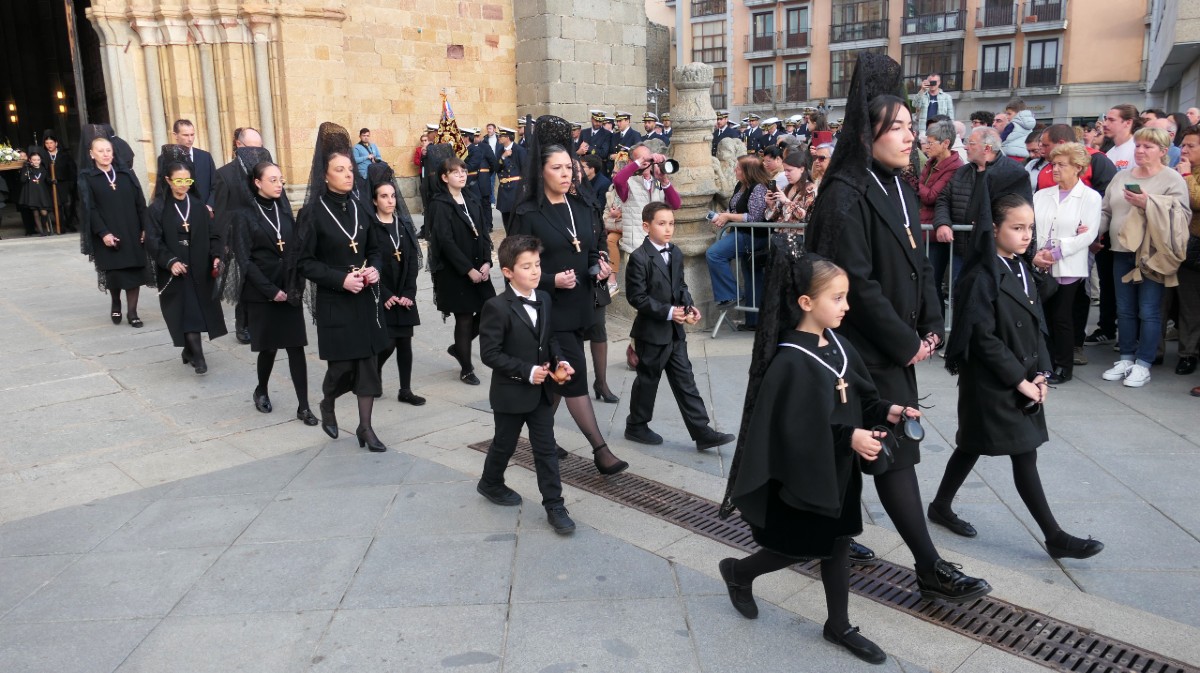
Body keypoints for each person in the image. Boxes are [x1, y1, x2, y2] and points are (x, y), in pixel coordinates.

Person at [804, 53, 991, 601]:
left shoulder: (900, 184)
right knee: (889, 455)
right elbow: (855, 284)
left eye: (913, 126)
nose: (910, 137)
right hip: (861, 351)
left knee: (869, 453)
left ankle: (835, 537)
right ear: (870, 132)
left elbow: (919, 262)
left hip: (896, 347)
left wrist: (933, 322)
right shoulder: (847, 192)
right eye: (898, 127)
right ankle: (928, 566)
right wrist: (906, 342)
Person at [719, 243, 919, 665]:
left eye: (846, 296)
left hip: (839, 473)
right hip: (802, 475)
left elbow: (861, 398)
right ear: (806, 302)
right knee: (794, 548)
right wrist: (848, 437)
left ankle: (838, 625)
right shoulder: (789, 361)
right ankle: (738, 572)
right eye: (838, 297)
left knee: (838, 543)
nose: (847, 305)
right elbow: (793, 429)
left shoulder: (841, 347)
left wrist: (888, 410)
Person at [934, 191, 1105, 560]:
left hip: (1020, 376)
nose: (1027, 235)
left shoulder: (1021, 266)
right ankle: (1054, 535)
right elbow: (982, 337)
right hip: (991, 382)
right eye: (1017, 228)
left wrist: (1041, 371)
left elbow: (1036, 325)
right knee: (1022, 453)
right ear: (993, 229)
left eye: (1031, 228)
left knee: (971, 445)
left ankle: (939, 505)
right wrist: (1020, 380)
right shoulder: (980, 275)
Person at [510, 115, 628, 476]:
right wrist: (548, 280)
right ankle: (601, 451)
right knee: (573, 373)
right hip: (549, 311)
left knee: (558, 380)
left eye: (569, 167)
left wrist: (601, 264)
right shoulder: (527, 214)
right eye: (557, 168)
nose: (566, 174)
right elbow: (516, 271)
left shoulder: (581, 207)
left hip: (582, 306)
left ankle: (524, 434)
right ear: (541, 171)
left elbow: (591, 249)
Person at [296, 122, 390, 452]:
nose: (348, 175)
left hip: (364, 299)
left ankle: (365, 427)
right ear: (325, 175)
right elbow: (304, 263)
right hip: (336, 301)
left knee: (367, 366)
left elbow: (375, 248)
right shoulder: (311, 214)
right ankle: (327, 402)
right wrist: (340, 279)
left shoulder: (362, 206)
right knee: (342, 367)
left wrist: (375, 269)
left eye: (350, 169)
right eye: (340, 170)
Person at [477, 234, 576, 534]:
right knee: (504, 443)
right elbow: (489, 353)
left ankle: (555, 506)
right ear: (508, 272)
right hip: (510, 393)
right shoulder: (496, 306)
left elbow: (550, 338)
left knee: (545, 449)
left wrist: (559, 360)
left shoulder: (544, 298)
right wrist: (526, 370)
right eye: (526, 266)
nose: (535, 271)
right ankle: (490, 481)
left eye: (537, 264)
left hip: (541, 392)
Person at [624, 202, 736, 451]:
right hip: (651, 333)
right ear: (646, 226)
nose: (668, 229)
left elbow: (680, 287)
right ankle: (636, 425)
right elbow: (637, 297)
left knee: (686, 380)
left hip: (675, 331)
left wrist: (689, 306)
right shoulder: (639, 258)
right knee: (647, 381)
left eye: (671, 223)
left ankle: (702, 431)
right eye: (661, 223)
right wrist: (667, 312)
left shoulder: (674, 252)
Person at [1099, 127, 1191, 388]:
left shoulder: (1172, 179)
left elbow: (1182, 216)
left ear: (1163, 151)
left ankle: (1144, 363)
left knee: (1149, 311)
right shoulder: (1121, 176)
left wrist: (1147, 202)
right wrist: (1094, 235)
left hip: (1153, 254)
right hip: (1121, 251)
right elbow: (1106, 210)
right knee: (1124, 310)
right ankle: (1127, 358)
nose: (1140, 150)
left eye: (1147, 147)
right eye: (1138, 145)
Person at [229, 156, 317, 423]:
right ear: (257, 183)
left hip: (288, 288)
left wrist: (293, 286)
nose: (279, 185)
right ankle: (261, 389)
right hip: (261, 293)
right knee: (269, 348)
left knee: (296, 347)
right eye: (273, 180)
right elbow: (245, 260)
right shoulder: (244, 215)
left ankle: (304, 406)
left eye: (281, 180)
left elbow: (293, 249)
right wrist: (270, 291)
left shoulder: (283, 209)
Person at [144, 147, 228, 374]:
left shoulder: (199, 206)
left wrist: (216, 256)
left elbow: (214, 235)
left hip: (199, 265)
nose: (183, 185)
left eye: (187, 180)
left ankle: (190, 350)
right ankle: (198, 355)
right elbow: (153, 241)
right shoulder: (157, 209)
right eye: (178, 180)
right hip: (175, 267)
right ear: (168, 181)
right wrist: (170, 261)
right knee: (186, 310)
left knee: (198, 309)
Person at [934, 126, 1033, 310]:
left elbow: (1018, 211)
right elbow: (943, 199)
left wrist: (986, 224)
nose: (965, 147)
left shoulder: (1013, 172)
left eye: (970, 143)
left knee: (992, 303)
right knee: (961, 299)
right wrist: (943, 223)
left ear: (987, 148)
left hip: (994, 252)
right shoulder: (962, 172)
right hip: (962, 252)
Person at [1032, 143, 1101, 384]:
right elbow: (1031, 227)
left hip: (1068, 266)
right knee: (1043, 317)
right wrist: (1036, 253)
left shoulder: (1090, 197)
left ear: (1078, 168)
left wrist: (1058, 251)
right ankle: (1045, 363)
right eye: (1054, 164)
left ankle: (1063, 366)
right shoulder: (1041, 195)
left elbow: (1088, 234)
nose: (1055, 169)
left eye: (1062, 165)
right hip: (1039, 265)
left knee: (1061, 317)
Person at [426, 155, 497, 386]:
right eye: (456, 173)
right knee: (465, 318)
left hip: (479, 265)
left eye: (464, 171)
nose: (462, 175)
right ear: (445, 177)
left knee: (491, 309)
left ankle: (459, 348)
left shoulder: (471, 198)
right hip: (455, 272)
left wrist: (487, 262)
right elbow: (445, 241)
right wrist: (468, 270)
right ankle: (466, 368)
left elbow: (484, 232)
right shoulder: (440, 204)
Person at [78, 130, 151, 329]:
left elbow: (140, 203)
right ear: (91, 154)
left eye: (108, 150)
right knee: (115, 273)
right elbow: (89, 209)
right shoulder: (88, 178)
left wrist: (145, 227)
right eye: (100, 151)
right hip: (107, 232)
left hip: (132, 230)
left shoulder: (126, 174)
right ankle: (116, 302)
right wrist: (103, 233)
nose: (105, 154)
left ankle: (133, 312)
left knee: (134, 271)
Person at [367, 163, 425, 406]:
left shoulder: (402, 225)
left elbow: (411, 260)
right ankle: (374, 375)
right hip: (384, 295)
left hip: (404, 294)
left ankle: (405, 389)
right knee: (387, 343)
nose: (390, 201)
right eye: (384, 196)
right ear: (374, 201)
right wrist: (387, 293)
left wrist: (409, 292)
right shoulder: (371, 228)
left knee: (405, 343)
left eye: (392, 196)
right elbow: (369, 264)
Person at [213, 126, 265, 345]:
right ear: (239, 146)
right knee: (245, 281)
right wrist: (222, 243)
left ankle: (263, 321)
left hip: (265, 235)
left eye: (259, 148)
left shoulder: (267, 169)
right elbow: (221, 212)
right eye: (252, 148)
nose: (256, 153)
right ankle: (242, 323)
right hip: (239, 237)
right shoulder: (225, 174)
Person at [706, 155, 771, 328]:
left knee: (714, 254)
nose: (735, 170)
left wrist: (728, 216)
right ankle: (753, 321)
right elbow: (733, 207)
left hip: (752, 236)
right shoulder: (740, 186)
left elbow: (754, 216)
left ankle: (731, 294)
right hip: (741, 232)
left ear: (748, 171)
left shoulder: (758, 188)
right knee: (752, 276)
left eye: (739, 168)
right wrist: (723, 215)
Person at [918, 120, 965, 306]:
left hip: (935, 234)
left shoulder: (954, 166)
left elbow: (931, 196)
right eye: (926, 142)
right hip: (924, 229)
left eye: (931, 143)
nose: (927, 146)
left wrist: (913, 183)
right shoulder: (931, 163)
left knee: (932, 282)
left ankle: (936, 329)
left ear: (945, 143)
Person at [613, 143, 682, 262]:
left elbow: (676, 204)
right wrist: (640, 161)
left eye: (649, 158)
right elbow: (618, 180)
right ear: (631, 162)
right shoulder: (628, 183)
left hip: (658, 247)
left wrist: (664, 180)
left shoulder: (658, 182)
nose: (647, 162)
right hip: (636, 249)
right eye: (641, 159)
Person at [1176, 125, 1200, 383]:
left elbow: (1197, 200)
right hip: (1187, 247)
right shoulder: (1179, 171)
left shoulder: (1185, 174)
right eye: (1183, 145)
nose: (1184, 150)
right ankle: (1187, 353)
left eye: (1191, 146)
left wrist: (1186, 177)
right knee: (1189, 306)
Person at [172, 120, 218, 212]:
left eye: (192, 134)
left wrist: (209, 205)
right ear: (175, 135)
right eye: (185, 135)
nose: (190, 139)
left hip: (206, 212)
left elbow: (215, 184)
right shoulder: (167, 158)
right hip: (180, 212)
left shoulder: (205, 157)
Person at [764, 151, 817, 228]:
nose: (786, 174)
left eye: (789, 170)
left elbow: (803, 215)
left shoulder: (811, 189)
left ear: (801, 169)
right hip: (781, 235)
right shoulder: (786, 188)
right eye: (785, 170)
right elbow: (775, 218)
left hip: (799, 236)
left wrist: (786, 201)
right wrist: (771, 205)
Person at [39, 130, 77, 233]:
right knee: (57, 206)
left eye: (51, 143)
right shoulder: (43, 156)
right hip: (51, 184)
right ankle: (61, 226)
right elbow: (42, 171)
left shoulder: (64, 155)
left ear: (56, 143)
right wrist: (48, 179)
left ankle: (70, 223)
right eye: (47, 143)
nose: (49, 145)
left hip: (65, 183)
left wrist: (72, 182)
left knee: (68, 204)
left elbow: (72, 169)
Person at [496, 127, 527, 233]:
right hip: (504, 188)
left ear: (508, 137)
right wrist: (503, 157)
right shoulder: (500, 150)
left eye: (501, 136)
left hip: (515, 188)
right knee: (506, 219)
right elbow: (496, 168)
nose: (499, 138)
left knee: (515, 220)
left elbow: (525, 169)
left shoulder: (519, 150)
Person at [18, 152, 52, 236]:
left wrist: (52, 181)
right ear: (30, 160)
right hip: (32, 193)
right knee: (36, 213)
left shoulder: (43, 169)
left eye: (38, 160)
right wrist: (27, 170)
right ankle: (41, 231)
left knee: (44, 212)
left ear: (40, 160)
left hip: (41, 193)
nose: (36, 161)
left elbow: (46, 179)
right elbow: (23, 180)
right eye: (34, 160)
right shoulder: (27, 168)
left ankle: (45, 227)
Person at [911, 72, 954, 137]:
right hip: (924, 129)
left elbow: (950, 115)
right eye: (930, 82)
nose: (932, 84)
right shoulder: (922, 95)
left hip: (940, 129)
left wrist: (951, 129)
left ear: (939, 82)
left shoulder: (947, 97)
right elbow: (914, 104)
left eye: (935, 82)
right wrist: (922, 90)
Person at [464, 129, 497, 214]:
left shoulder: (485, 147)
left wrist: (487, 174)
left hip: (483, 178)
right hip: (471, 179)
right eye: (474, 136)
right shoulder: (464, 148)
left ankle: (488, 225)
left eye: (477, 136)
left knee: (485, 203)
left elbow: (493, 163)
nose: (476, 138)